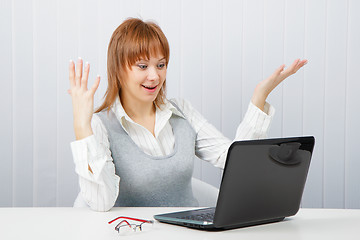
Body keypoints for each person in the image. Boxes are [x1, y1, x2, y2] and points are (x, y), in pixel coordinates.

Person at [69, 18, 307, 211]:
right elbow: (102, 203)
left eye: (161, 65)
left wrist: (259, 97)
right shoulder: (99, 126)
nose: (154, 76)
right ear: (119, 69)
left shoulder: (181, 111)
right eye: (143, 66)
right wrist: (82, 126)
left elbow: (234, 161)